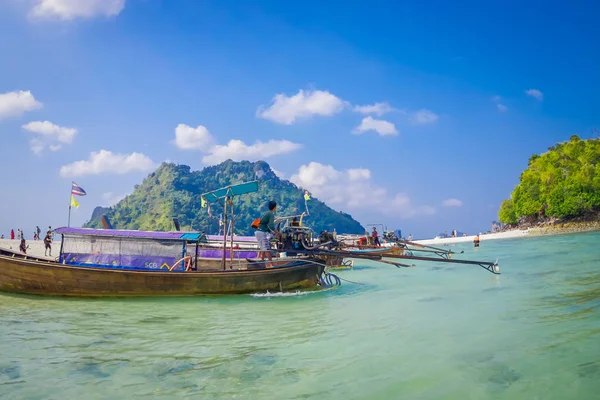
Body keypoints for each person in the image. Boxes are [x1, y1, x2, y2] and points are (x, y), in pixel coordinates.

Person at [255, 201, 279, 268]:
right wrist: (276, 232)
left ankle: (262, 263)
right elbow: (271, 225)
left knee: (263, 248)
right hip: (261, 232)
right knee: (267, 249)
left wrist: (273, 232)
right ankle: (271, 265)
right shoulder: (271, 214)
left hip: (258, 231)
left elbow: (266, 226)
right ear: (274, 207)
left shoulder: (266, 213)